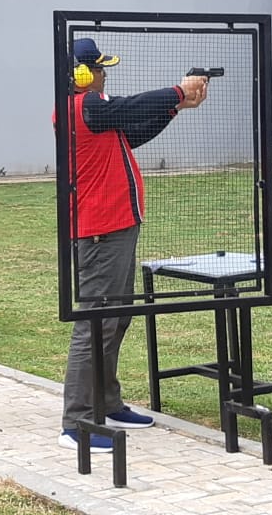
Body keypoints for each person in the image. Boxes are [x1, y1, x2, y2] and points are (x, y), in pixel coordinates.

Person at [59, 38, 207, 453]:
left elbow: (135, 130)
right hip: (101, 230)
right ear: (82, 74)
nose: (105, 74)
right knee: (94, 324)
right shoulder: (83, 107)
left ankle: (107, 402)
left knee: (115, 319)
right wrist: (177, 91)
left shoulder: (93, 113)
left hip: (115, 227)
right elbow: (127, 108)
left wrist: (175, 107)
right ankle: (77, 421)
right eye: (99, 69)